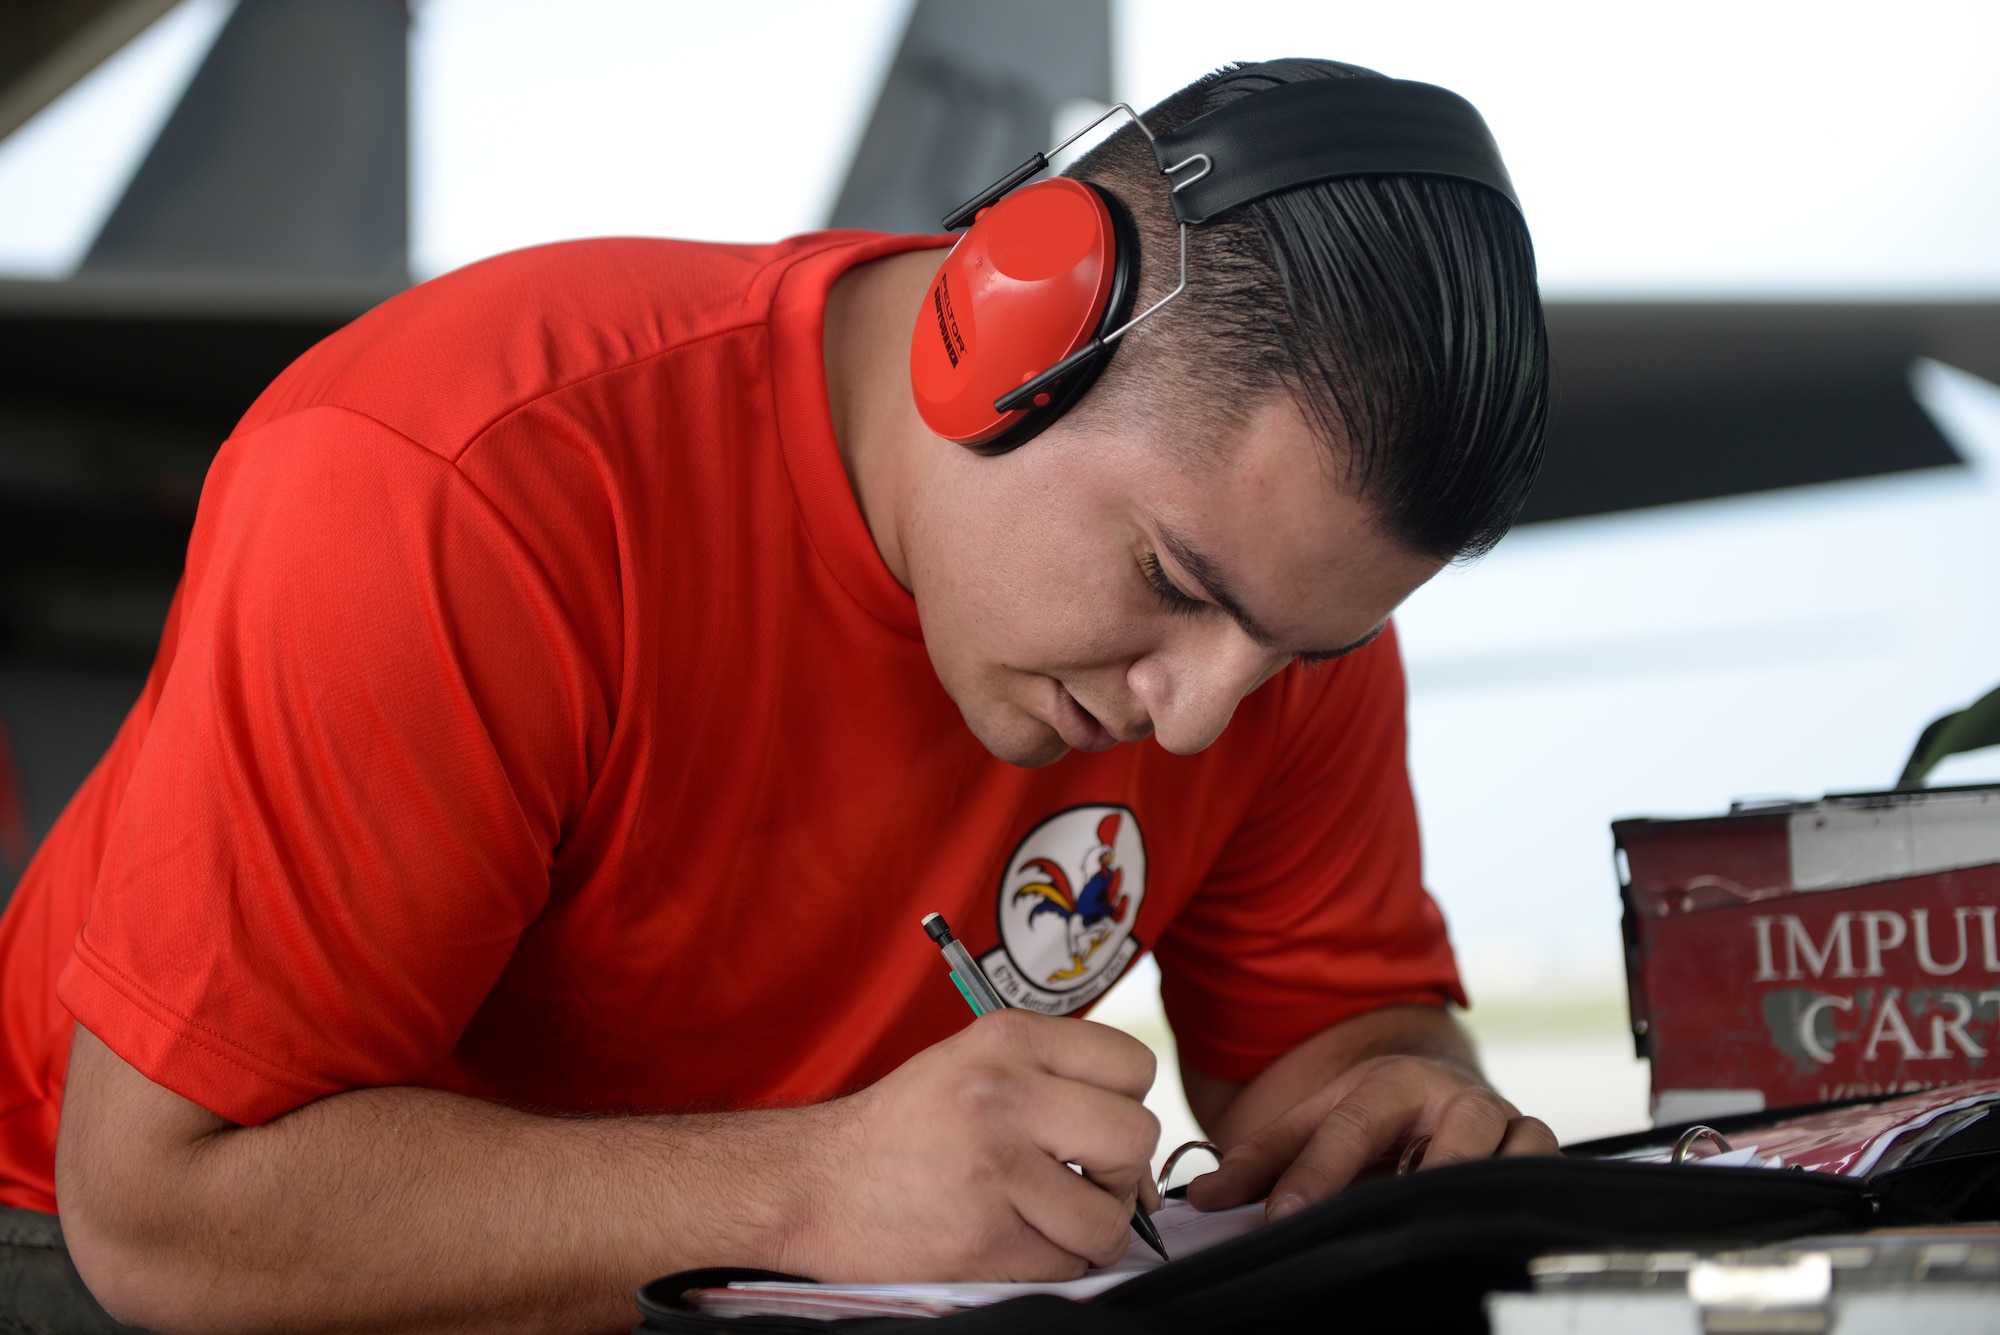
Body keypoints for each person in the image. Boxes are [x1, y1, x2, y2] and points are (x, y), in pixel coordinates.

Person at [0, 58, 1556, 1333]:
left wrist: (1398, 1112)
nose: (1204, 714)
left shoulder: (1267, 608)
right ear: (1000, 329)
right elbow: (168, 1214)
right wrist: (809, 1189)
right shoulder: (466, 486)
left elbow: (1324, 1038)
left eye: (1298, 652)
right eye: (1171, 583)